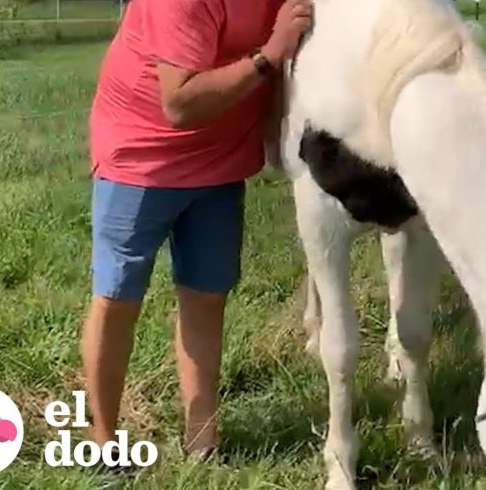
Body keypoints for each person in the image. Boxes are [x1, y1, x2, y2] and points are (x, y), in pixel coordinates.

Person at [80, 0, 312, 461]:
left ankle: (202, 440)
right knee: (118, 297)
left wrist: (276, 131)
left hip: (221, 161)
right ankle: (103, 443)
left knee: (207, 296)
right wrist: (268, 55)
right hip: (141, 157)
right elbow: (180, 103)